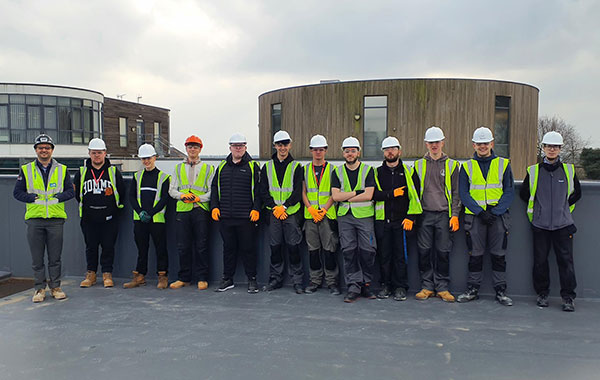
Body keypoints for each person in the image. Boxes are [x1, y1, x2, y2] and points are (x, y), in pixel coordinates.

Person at [519, 131, 581, 311]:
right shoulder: (533, 171)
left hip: (563, 225)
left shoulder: (568, 170)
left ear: (560, 149)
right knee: (540, 261)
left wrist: (562, 207)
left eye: (555, 147)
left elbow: (577, 193)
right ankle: (542, 294)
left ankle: (568, 297)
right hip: (540, 225)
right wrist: (540, 209)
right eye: (548, 146)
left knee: (566, 262)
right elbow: (524, 193)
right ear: (543, 148)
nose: (551, 149)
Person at [457, 127, 514, 306]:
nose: (482, 146)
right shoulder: (466, 166)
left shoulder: (504, 164)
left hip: (497, 217)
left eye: (485, 143)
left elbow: (509, 191)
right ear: (474, 145)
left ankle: (501, 291)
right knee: (475, 255)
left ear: (492, 144)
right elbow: (463, 193)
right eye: (479, 143)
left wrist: (494, 212)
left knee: (499, 255)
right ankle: (473, 289)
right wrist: (480, 212)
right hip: (475, 217)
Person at [13, 134, 74, 302]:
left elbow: (71, 191)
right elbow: (17, 193)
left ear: (52, 150)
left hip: (55, 219)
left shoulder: (62, 169)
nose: (44, 150)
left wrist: (59, 197)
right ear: (36, 150)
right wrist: (31, 198)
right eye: (40, 148)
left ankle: (55, 287)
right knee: (37, 258)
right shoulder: (26, 169)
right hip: (35, 219)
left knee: (55, 258)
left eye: (47, 147)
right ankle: (39, 289)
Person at [412, 127, 460, 302]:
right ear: (426, 144)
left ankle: (442, 287)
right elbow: (413, 193)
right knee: (424, 252)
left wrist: (454, 214)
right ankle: (426, 287)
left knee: (442, 252)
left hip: (443, 215)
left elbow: (456, 192)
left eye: (437, 142)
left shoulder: (453, 165)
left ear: (443, 143)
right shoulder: (417, 165)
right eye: (431, 142)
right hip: (424, 214)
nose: (434, 145)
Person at [373, 136, 422, 301]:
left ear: (399, 151)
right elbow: (374, 194)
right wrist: (391, 194)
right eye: (387, 149)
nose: (390, 151)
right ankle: (385, 285)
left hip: (402, 222)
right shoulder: (377, 173)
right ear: (383, 152)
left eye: (393, 148)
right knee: (384, 256)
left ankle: (400, 287)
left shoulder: (409, 171)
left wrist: (410, 217)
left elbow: (415, 197)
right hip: (383, 221)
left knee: (401, 256)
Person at [211, 133, 261, 293]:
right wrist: (214, 207)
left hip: (246, 218)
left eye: (241, 145)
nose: (238, 148)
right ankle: (227, 279)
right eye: (235, 146)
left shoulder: (253, 167)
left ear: (245, 147)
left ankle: (252, 280)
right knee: (228, 249)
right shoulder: (222, 167)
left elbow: (259, 191)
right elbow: (214, 188)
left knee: (248, 249)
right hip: (225, 217)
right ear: (230, 148)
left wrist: (256, 209)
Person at [331, 136, 377, 303]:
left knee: (368, 251)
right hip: (345, 218)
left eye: (353, 151)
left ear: (359, 152)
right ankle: (353, 286)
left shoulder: (368, 170)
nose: (350, 154)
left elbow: (369, 194)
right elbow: (336, 196)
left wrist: (347, 198)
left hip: (364, 216)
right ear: (343, 153)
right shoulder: (337, 172)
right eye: (347, 151)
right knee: (349, 251)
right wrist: (357, 193)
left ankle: (366, 284)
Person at [75, 138, 125, 288]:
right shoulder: (82, 172)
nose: (97, 155)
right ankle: (91, 274)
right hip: (89, 217)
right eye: (94, 152)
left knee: (108, 246)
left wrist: (114, 210)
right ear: (89, 153)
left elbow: (121, 193)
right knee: (90, 246)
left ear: (105, 153)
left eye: (100, 152)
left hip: (109, 218)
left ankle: (107, 273)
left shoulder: (113, 172)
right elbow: (78, 194)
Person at [261, 130, 305, 294]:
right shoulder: (267, 167)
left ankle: (297, 281)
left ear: (290, 145)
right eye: (279, 145)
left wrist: (284, 207)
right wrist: (275, 207)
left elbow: (297, 191)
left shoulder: (296, 167)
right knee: (275, 248)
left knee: (294, 248)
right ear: (275, 146)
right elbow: (263, 191)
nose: (282, 148)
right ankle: (275, 279)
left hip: (291, 213)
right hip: (273, 214)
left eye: (285, 144)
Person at [168, 135, 214, 290]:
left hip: (200, 210)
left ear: (200, 149)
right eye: (190, 147)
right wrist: (182, 196)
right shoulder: (178, 168)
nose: (192, 149)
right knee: (183, 246)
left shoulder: (208, 168)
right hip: (183, 211)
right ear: (186, 148)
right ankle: (184, 278)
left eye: (195, 147)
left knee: (201, 245)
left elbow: (211, 192)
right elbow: (172, 190)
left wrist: (197, 199)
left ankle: (202, 278)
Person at [123, 144, 171, 289]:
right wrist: (140, 212)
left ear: (155, 158)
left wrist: (150, 213)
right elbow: (131, 196)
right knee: (142, 249)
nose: (146, 161)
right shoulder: (137, 176)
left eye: (148, 158)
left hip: (157, 220)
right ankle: (140, 276)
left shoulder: (163, 177)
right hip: (140, 220)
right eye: (143, 159)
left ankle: (162, 276)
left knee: (160, 248)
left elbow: (164, 199)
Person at [302, 135, 340, 295]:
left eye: (321, 149)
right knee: (313, 251)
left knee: (329, 250)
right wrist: (310, 208)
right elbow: (303, 192)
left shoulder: (333, 170)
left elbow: (335, 193)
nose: (318, 152)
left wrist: (324, 209)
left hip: (327, 216)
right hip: (310, 217)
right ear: (311, 150)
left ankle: (332, 282)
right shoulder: (304, 169)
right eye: (315, 149)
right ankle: (315, 280)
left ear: (325, 150)